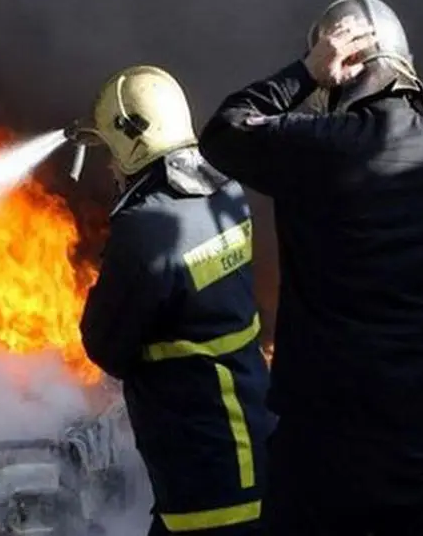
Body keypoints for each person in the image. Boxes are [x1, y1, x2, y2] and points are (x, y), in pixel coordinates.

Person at [198, 0, 423, 536]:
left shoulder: (321, 147)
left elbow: (223, 132)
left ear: (343, 66)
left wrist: (305, 73)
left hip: (325, 465)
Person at [68, 65, 272, 535]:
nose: (109, 166)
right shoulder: (227, 192)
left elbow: (105, 347)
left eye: (111, 152)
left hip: (205, 469)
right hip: (248, 430)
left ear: (132, 143)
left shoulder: (146, 229)